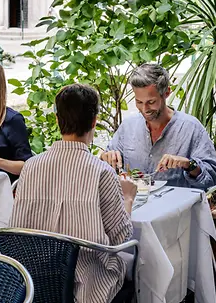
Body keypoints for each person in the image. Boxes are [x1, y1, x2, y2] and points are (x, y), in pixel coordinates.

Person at [11, 84, 137, 303]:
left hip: (33, 280)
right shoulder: (101, 171)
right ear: (94, 122)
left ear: (58, 120)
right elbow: (121, 237)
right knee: (136, 265)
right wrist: (128, 198)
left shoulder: (30, 166)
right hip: (88, 284)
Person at [100, 64, 216, 191]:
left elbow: (213, 177)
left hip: (177, 209)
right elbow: (106, 166)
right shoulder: (128, 126)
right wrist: (106, 157)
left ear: (167, 92)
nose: (144, 109)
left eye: (151, 102)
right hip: (135, 207)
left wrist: (188, 164)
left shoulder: (191, 128)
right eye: (139, 102)